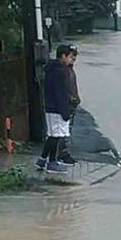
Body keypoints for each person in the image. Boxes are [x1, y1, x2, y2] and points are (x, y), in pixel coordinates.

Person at [36, 45, 75, 174]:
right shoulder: (60, 72)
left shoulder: (52, 69)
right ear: (63, 56)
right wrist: (65, 111)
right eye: (70, 57)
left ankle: (43, 159)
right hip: (57, 109)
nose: (71, 60)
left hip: (51, 107)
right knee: (56, 136)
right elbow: (60, 94)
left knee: (53, 135)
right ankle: (52, 162)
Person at [59, 45, 81, 165]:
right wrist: (70, 98)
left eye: (75, 56)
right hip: (65, 105)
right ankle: (61, 153)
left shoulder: (70, 70)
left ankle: (63, 152)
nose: (74, 58)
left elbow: (73, 87)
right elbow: (62, 89)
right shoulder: (63, 71)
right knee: (62, 130)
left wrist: (76, 98)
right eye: (72, 55)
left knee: (67, 129)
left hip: (71, 104)